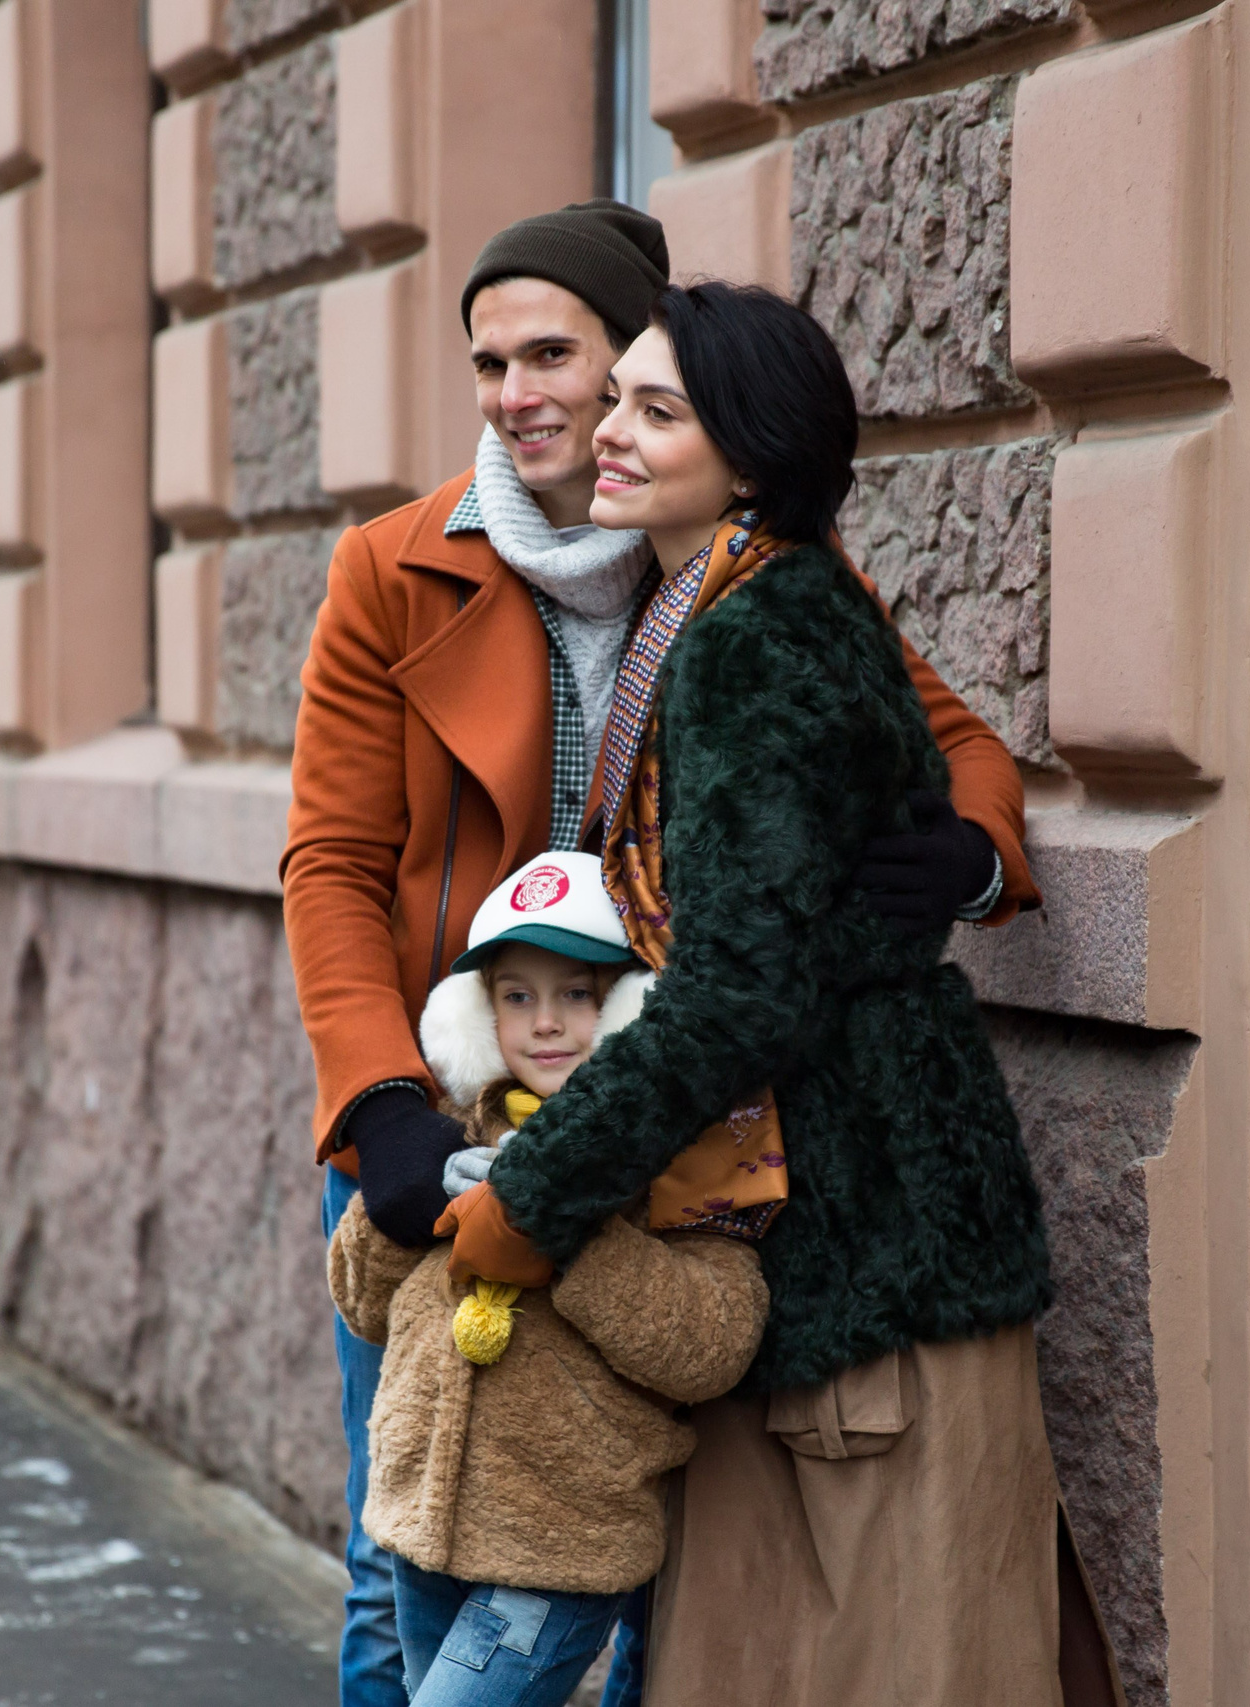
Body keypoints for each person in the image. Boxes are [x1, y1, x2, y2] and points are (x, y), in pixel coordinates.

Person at [283, 201, 1039, 1706]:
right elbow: (333, 861)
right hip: (450, 1109)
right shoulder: (397, 566)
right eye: (490, 361)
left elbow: (937, 736)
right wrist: (380, 1108)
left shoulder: (716, 558)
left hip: (654, 1124)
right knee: (409, 1543)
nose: (524, 396)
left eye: (561, 354)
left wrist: (974, 854)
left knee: (624, 1539)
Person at [476, 281, 1063, 1706]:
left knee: (887, 1652)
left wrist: (535, 1189)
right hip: (817, 1234)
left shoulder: (760, 627)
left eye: (656, 410)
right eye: (620, 396)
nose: (608, 430)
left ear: (751, 456)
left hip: (862, 1246)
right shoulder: (726, 604)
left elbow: (738, 983)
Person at [329, 851, 768, 1706]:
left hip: (559, 1548)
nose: (547, 1023)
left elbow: (714, 1339)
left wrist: (572, 1230)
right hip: (422, 1533)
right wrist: (405, 1201)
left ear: (626, 1004)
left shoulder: (674, 1150)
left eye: (577, 992)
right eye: (517, 995)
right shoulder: (450, 1129)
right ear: (478, 1012)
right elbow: (359, 1303)